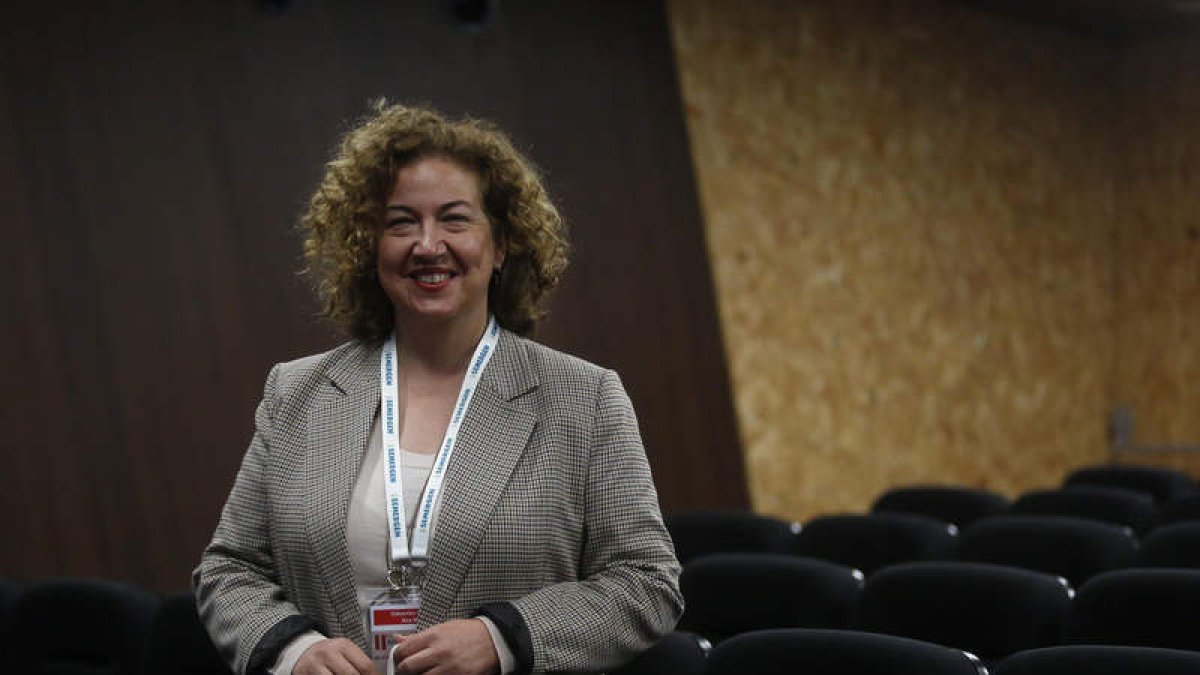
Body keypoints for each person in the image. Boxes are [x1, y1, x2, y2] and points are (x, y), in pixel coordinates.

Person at [193, 101, 683, 675]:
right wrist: (292, 650)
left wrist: (503, 639)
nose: (428, 244)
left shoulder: (583, 397)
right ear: (369, 247)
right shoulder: (297, 392)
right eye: (401, 222)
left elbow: (647, 582)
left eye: (455, 219)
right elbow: (228, 569)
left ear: (501, 244)